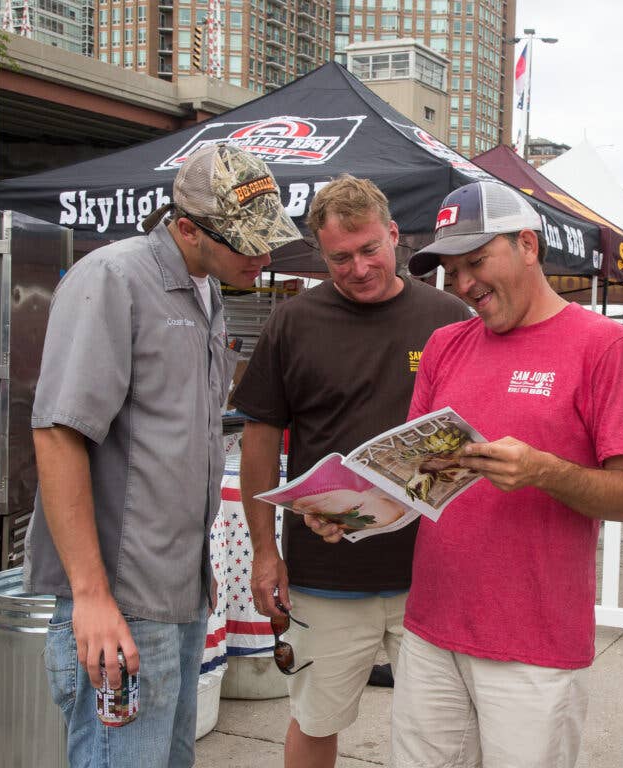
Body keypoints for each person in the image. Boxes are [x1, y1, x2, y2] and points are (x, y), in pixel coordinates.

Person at [347, 180, 623, 768]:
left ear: (528, 246)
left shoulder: (605, 346)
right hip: (433, 629)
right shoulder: (444, 346)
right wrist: (350, 511)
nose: (464, 285)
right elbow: (418, 480)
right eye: (452, 269)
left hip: (533, 645)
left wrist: (544, 471)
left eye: (477, 261)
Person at [22, 143, 302, 768]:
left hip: (177, 590)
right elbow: (58, 433)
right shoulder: (113, 279)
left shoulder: (206, 289)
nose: (263, 255)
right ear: (185, 228)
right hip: (120, 596)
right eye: (245, 242)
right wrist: (92, 597)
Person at [231, 174, 470, 768]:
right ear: (321, 253)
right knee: (315, 719)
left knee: (444, 733)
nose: (359, 268)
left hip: (433, 571)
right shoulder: (294, 321)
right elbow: (259, 437)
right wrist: (265, 553)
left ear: (394, 236)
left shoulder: (449, 317)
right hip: (325, 574)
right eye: (340, 257)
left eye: (369, 250)